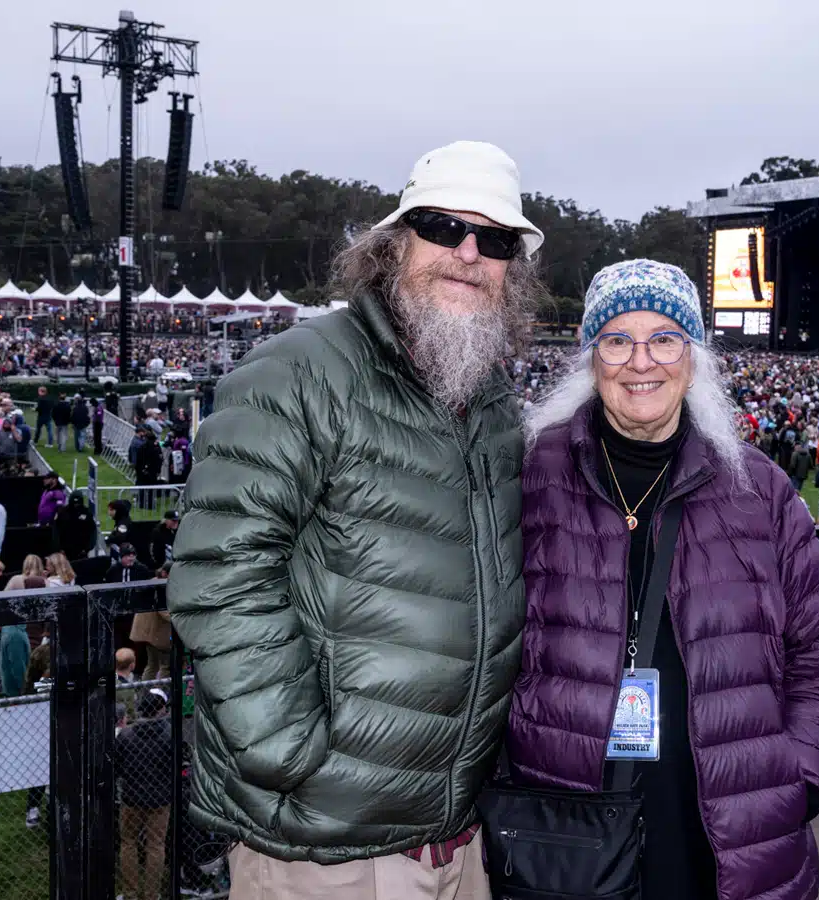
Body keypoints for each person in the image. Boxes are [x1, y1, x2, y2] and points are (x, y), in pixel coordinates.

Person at [168, 140, 545, 897]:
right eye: (443, 227)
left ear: (513, 270)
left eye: (496, 239)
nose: (469, 253)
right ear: (393, 244)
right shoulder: (299, 368)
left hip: (453, 834)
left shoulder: (496, 406)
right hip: (324, 847)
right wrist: (290, 750)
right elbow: (218, 568)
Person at [507, 259, 819, 900]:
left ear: (693, 358)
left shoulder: (758, 488)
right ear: (591, 358)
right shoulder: (530, 474)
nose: (642, 363)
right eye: (618, 340)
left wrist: (800, 775)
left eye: (664, 338)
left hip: (729, 825)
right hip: (562, 825)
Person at [116, 688, 174, 900]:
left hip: (132, 797)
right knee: (156, 845)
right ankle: (152, 895)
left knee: (128, 842)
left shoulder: (126, 735)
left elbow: (117, 767)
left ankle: (130, 893)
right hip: (160, 798)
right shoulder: (170, 734)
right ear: (160, 710)